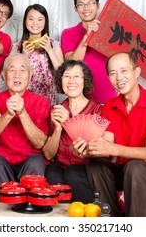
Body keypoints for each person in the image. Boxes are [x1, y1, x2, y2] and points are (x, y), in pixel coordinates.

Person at [75, 52, 146, 217]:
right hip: (126, 172)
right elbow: (106, 146)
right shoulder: (109, 106)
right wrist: (85, 150)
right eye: (112, 73)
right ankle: (114, 221)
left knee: (135, 167)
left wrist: (112, 148)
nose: (118, 77)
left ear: (137, 72)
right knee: (96, 165)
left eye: (123, 71)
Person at [0, 53, 50, 189]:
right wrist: (8, 115)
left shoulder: (42, 101)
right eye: (11, 70)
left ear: (30, 76)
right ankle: (0, 208)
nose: (17, 75)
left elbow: (40, 143)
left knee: (36, 162)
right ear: (4, 76)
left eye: (22, 70)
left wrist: (22, 113)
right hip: (0, 159)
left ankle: (29, 207)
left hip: (29, 160)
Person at [42, 60, 102, 203]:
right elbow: (49, 154)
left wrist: (68, 122)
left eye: (77, 76)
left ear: (85, 81)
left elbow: (95, 151)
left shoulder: (97, 111)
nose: (71, 81)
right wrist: (58, 128)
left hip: (85, 168)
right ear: (61, 81)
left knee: (72, 173)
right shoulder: (56, 111)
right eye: (67, 76)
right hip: (59, 166)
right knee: (51, 174)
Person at [61, 0, 116, 104]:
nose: (86, 8)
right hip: (80, 101)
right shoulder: (68, 33)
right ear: (75, 8)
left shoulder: (110, 31)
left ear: (98, 5)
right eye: (81, 4)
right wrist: (87, 36)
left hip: (108, 99)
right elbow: (72, 63)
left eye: (90, 3)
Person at [10, 4, 64, 105]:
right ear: (25, 21)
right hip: (22, 97)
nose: (35, 23)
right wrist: (24, 55)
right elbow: (8, 73)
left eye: (40, 19)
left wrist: (49, 50)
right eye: (31, 19)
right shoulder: (17, 46)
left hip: (47, 97)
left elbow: (61, 72)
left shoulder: (54, 44)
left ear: (45, 22)